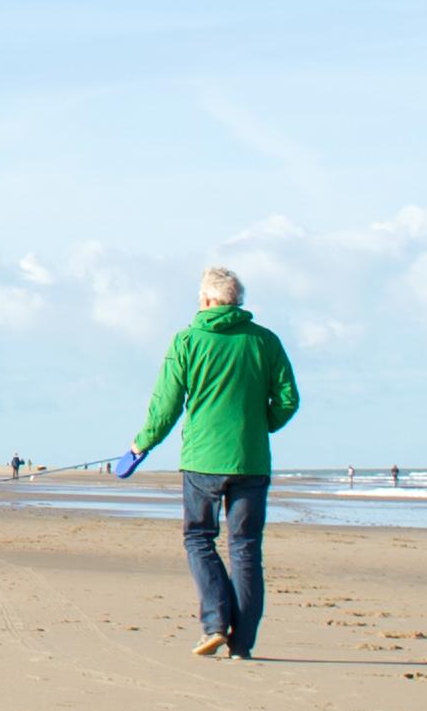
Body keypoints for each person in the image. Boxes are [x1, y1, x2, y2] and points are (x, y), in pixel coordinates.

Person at [126, 265, 300, 660]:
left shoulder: (188, 340)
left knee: (199, 538)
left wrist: (141, 445)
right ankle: (241, 644)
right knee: (246, 549)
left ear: (206, 301)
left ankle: (216, 624)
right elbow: (288, 399)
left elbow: (165, 406)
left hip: (203, 460)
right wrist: (259, 427)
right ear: (237, 301)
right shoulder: (265, 341)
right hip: (251, 459)